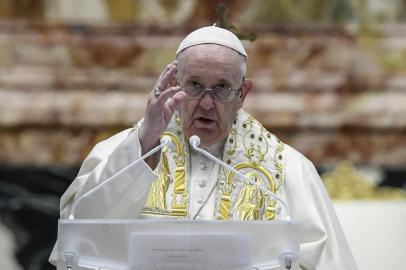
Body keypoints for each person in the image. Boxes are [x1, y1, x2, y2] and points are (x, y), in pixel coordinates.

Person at [49, 25, 358, 270]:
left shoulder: (288, 169)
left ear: (242, 94)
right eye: (194, 85)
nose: (207, 103)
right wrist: (145, 142)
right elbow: (79, 241)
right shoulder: (121, 152)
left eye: (222, 88)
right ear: (173, 82)